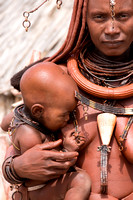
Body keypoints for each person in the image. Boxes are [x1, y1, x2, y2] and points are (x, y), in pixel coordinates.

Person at [2, 0, 133, 199]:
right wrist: (18, 168)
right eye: (99, 17)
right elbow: (18, 137)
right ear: (83, 20)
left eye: (123, 16)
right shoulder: (55, 82)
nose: (112, 29)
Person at [3, 61, 91, 200]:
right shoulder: (29, 134)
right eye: (64, 114)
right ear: (38, 110)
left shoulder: (22, 115)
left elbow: (4, 123)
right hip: (38, 190)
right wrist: (67, 151)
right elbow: (40, 171)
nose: (68, 118)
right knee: (81, 181)